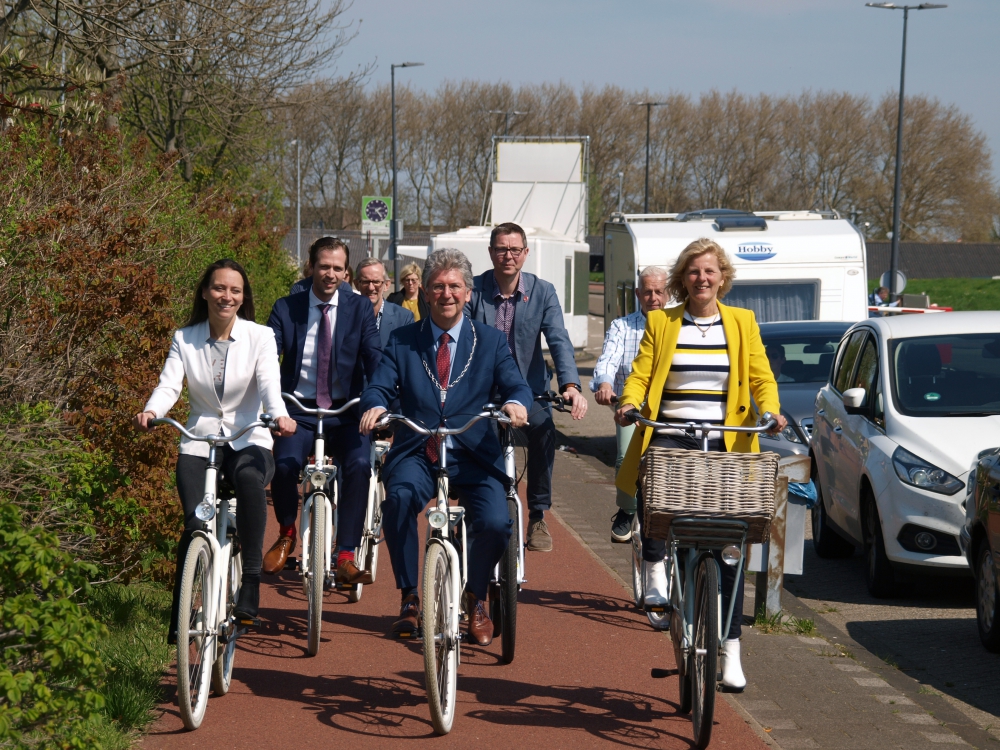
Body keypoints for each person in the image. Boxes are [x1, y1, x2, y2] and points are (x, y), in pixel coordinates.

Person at [613, 237, 787, 691]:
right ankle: (655, 565)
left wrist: (770, 411)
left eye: (709, 271)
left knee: (730, 548)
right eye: (693, 272)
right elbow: (642, 372)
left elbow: (761, 376)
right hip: (674, 434)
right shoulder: (662, 322)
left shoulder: (743, 322)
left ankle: (731, 648)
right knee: (667, 504)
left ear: (722, 277)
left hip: (729, 443)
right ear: (681, 279)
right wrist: (630, 403)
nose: (702, 279)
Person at [359, 248, 531, 645]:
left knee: (494, 522)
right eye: (438, 287)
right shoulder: (404, 341)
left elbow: (514, 382)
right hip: (418, 450)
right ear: (426, 293)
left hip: (474, 452)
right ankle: (409, 597)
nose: (446, 294)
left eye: (455, 286)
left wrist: (516, 403)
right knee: (398, 499)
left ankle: (475, 596)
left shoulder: (488, 341)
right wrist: (376, 405)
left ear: (469, 293)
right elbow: (379, 384)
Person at [134, 259, 297, 640]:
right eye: (220, 288)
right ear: (205, 292)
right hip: (200, 438)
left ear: (244, 297)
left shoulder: (260, 337)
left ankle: (251, 583)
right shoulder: (185, 338)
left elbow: (270, 384)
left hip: (249, 435)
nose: (227, 296)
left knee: (248, 478)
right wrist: (152, 410)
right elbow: (170, 384)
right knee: (194, 525)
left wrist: (279, 416)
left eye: (235, 290)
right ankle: (179, 614)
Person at [264, 237, 382, 585]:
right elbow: (268, 359)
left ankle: (345, 554)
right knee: (284, 466)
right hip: (298, 409)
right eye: (324, 266)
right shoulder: (287, 307)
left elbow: (374, 357)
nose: (330, 274)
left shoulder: (359, 308)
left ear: (347, 272)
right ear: (311, 267)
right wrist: (271, 404)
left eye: (337, 268)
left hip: (347, 411)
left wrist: (378, 400)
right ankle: (287, 532)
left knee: (360, 465)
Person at [467, 222, 587, 553]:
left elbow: (559, 339)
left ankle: (537, 515)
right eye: (501, 249)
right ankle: (470, 500)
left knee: (545, 428)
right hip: (481, 391)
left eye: (515, 249)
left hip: (528, 389)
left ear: (525, 253)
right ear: (491, 252)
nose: (508, 255)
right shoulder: (472, 290)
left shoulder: (543, 291)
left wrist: (571, 385)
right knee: (467, 433)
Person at [591, 265, 667, 544]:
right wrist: (604, 385)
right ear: (638, 294)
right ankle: (627, 508)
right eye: (647, 292)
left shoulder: (677, 325)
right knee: (626, 457)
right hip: (630, 407)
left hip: (668, 408)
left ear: (668, 293)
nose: (653, 297)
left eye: (659, 291)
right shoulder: (622, 326)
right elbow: (609, 358)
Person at [354, 257, 414, 348]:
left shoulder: (403, 319)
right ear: (356, 284)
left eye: (376, 282)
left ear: (386, 285)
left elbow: (406, 358)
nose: (371, 287)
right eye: (365, 281)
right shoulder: (346, 315)